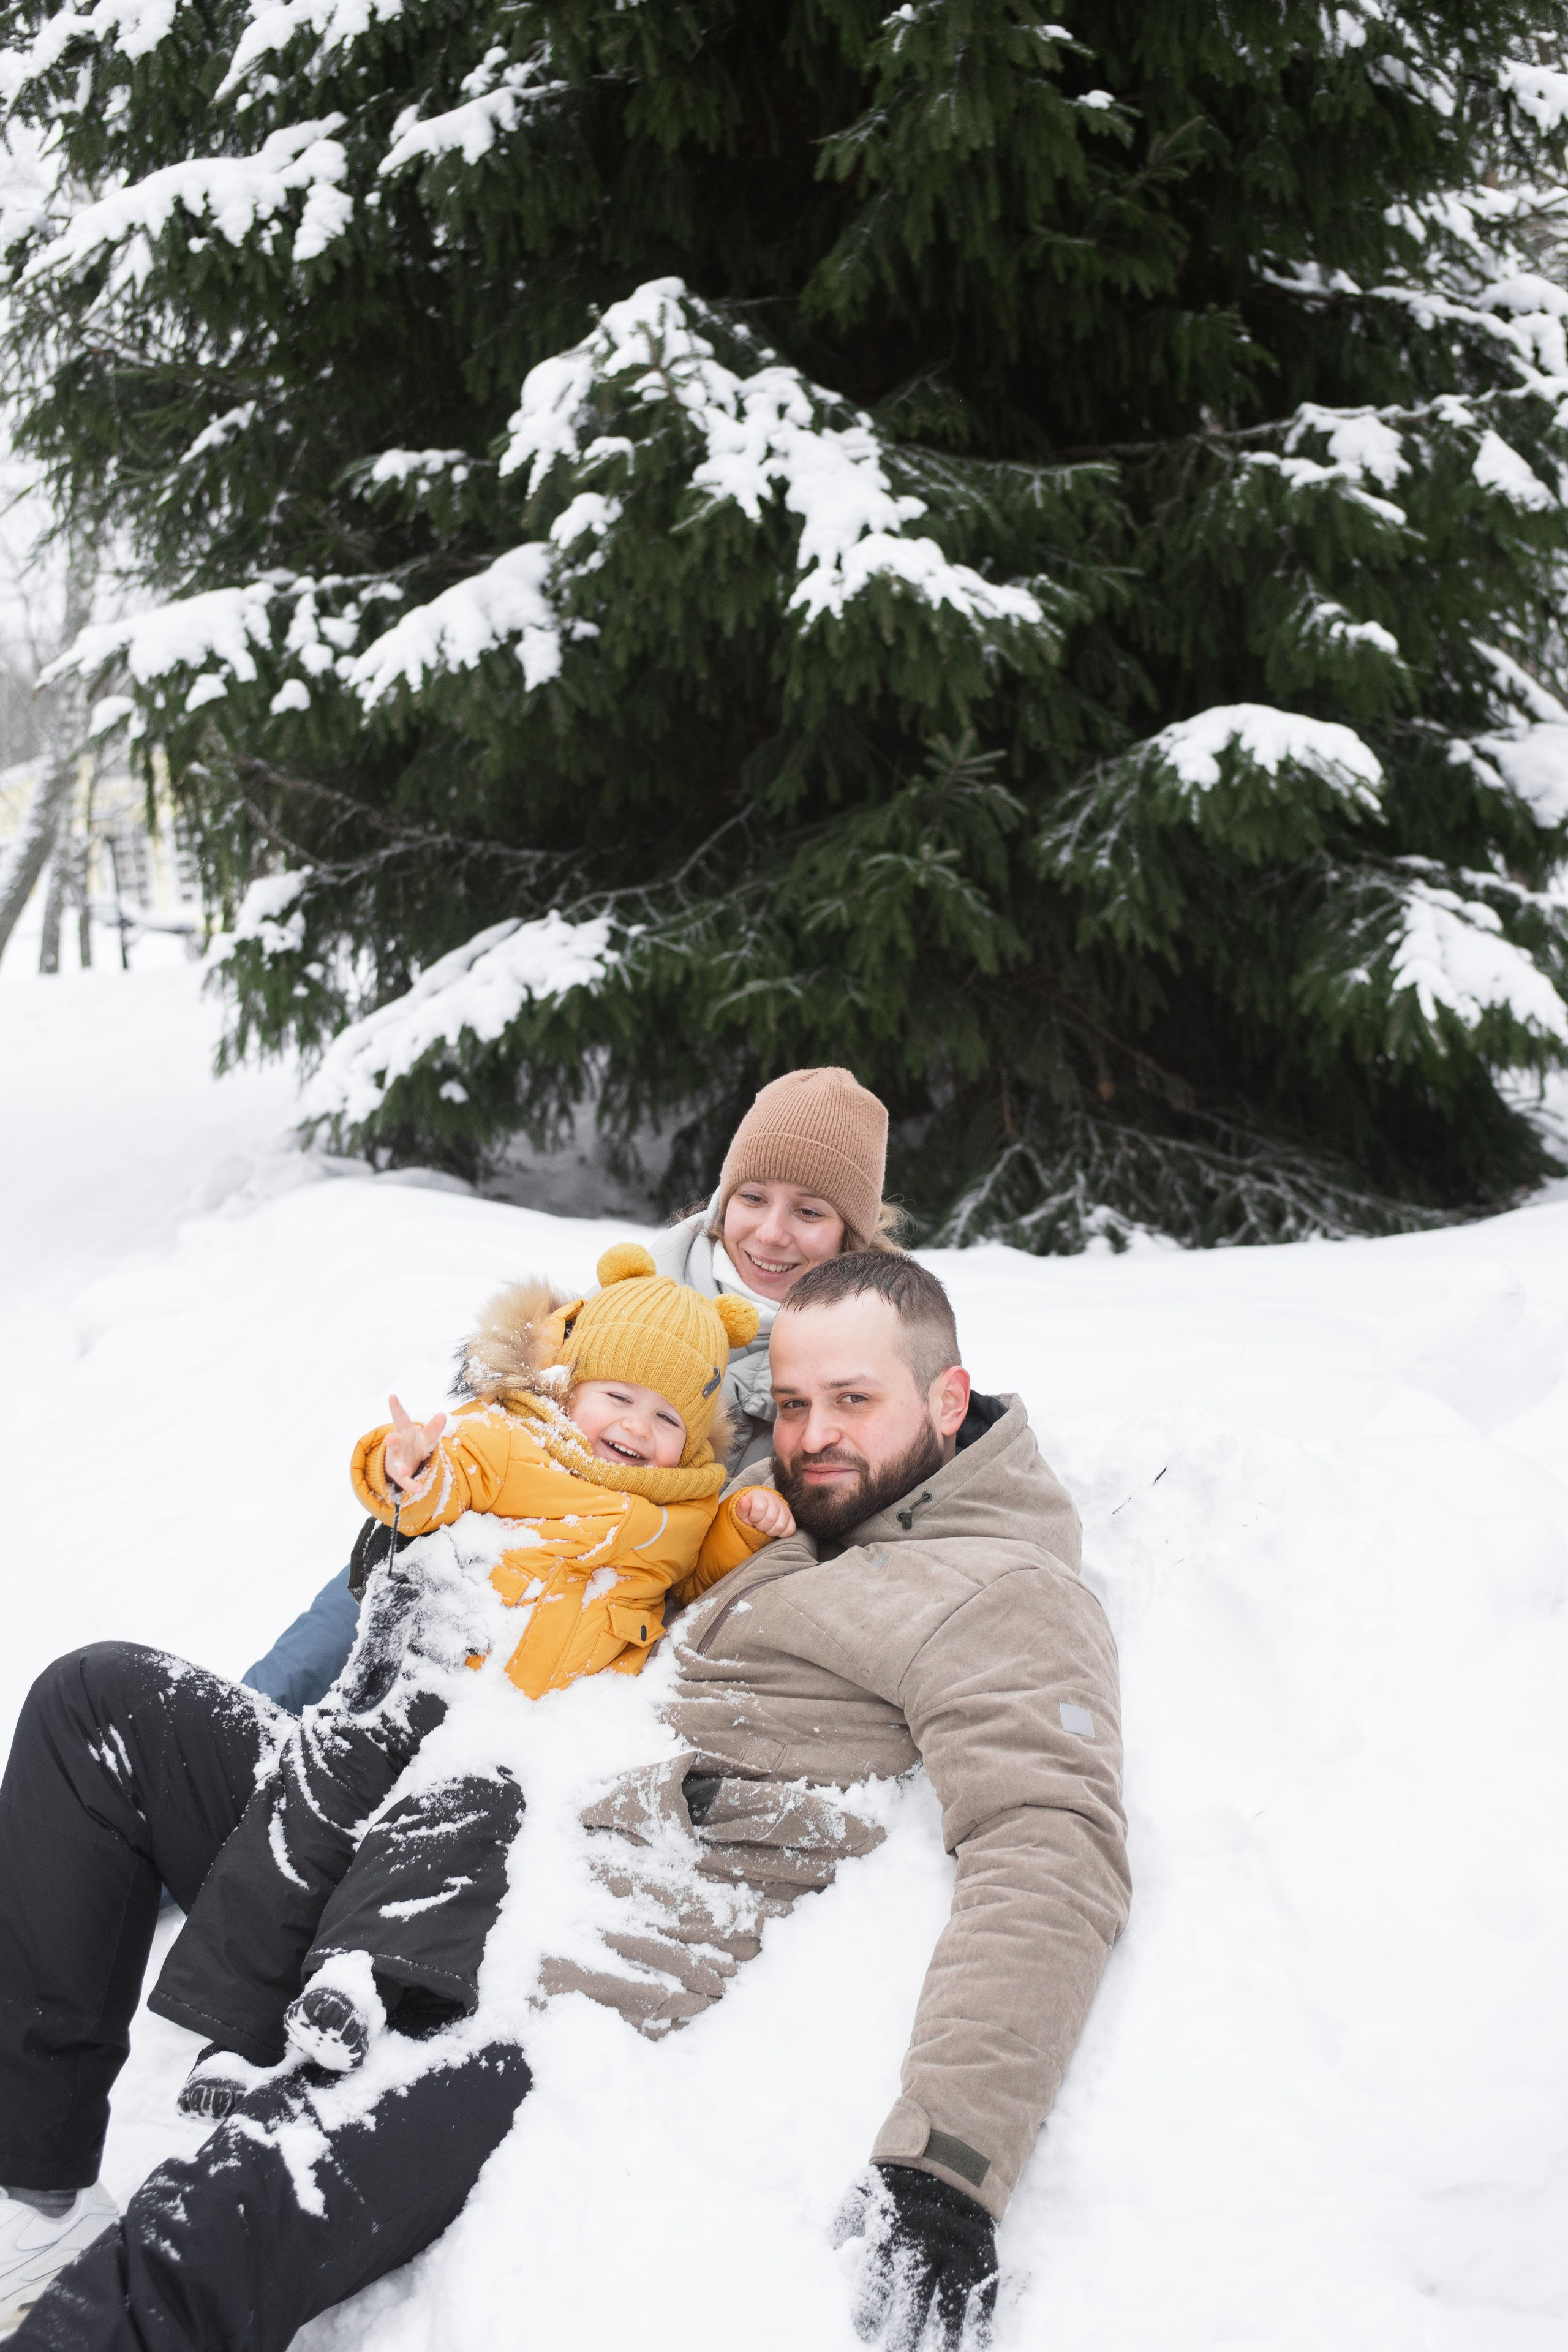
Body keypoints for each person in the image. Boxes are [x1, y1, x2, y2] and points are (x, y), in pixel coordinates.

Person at [0, 1251, 1128, 2352]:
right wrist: (426, 1531)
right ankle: (33, 2205)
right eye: (789, 1404)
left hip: (520, 1967)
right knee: (98, 1705)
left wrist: (949, 2169)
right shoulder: (800, 1497)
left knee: (220, 2225)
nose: (811, 1435)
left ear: (948, 1396)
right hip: (426, 1793)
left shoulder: (1000, 1590)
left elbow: (1048, 1847)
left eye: (851, 1399)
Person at [162, 1244, 791, 2120]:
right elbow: (440, 1485)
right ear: (571, 1387)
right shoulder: (513, 1437)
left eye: (664, 1415)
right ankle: (232, 2035)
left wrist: (748, 1532)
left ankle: (356, 1982)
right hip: (425, 1690)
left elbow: (703, 1576)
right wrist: (406, 1465)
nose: (636, 1426)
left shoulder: (684, 1512)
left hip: (511, 1734)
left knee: (440, 1841)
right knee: (308, 1811)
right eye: (617, 1396)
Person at [240, 1066, 900, 1713]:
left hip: (607, 1662)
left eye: (809, 1211)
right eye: (753, 1198)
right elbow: (478, 1460)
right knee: (326, 1649)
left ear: (851, 1238)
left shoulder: (860, 1382)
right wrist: (415, 1470)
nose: (771, 1232)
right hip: (472, 1584)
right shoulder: (618, 1306)